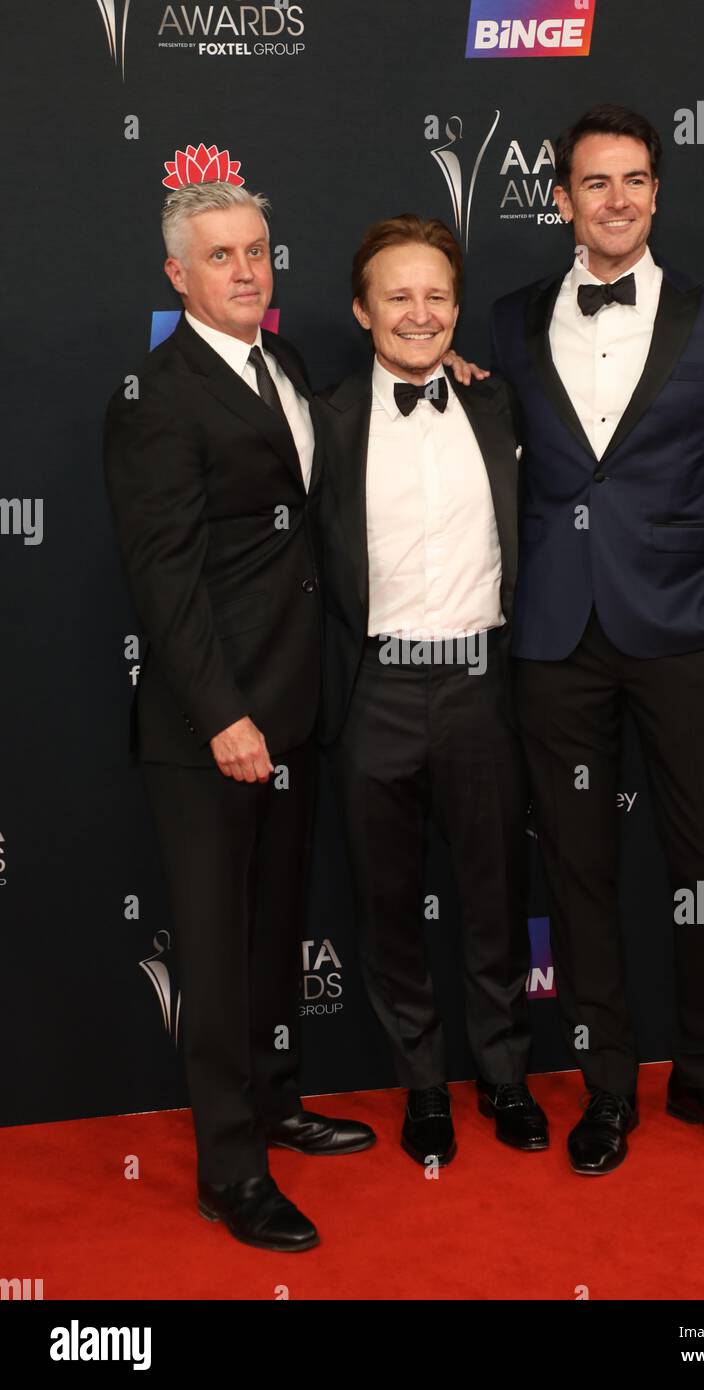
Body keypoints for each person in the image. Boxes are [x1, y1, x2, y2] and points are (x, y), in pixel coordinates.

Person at [491, 104, 704, 1174]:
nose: (613, 200)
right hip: (555, 641)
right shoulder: (508, 322)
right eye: (592, 182)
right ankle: (607, 1087)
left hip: (682, 637)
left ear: (656, 192)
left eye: (631, 180)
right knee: (576, 868)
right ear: (561, 198)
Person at [103, 180, 375, 1253]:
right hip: (212, 729)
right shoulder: (155, 395)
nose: (248, 270)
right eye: (221, 256)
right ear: (177, 274)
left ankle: (272, 1099)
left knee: (272, 934)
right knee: (215, 957)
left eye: (257, 250)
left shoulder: (288, 366)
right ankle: (229, 1170)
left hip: (297, 708)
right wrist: (223, 716)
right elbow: (162, 581)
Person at [315, 215, 548, 1167]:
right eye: (398, 296)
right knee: (387, 900)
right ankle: (422, 1089)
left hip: (482, 685)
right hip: (371, 688)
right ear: (362, 310)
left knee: (496, 890)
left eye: (437, 296)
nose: (420, 313)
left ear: (458, 308)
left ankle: (501, 1074)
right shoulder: (321, 419)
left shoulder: (502, 406)